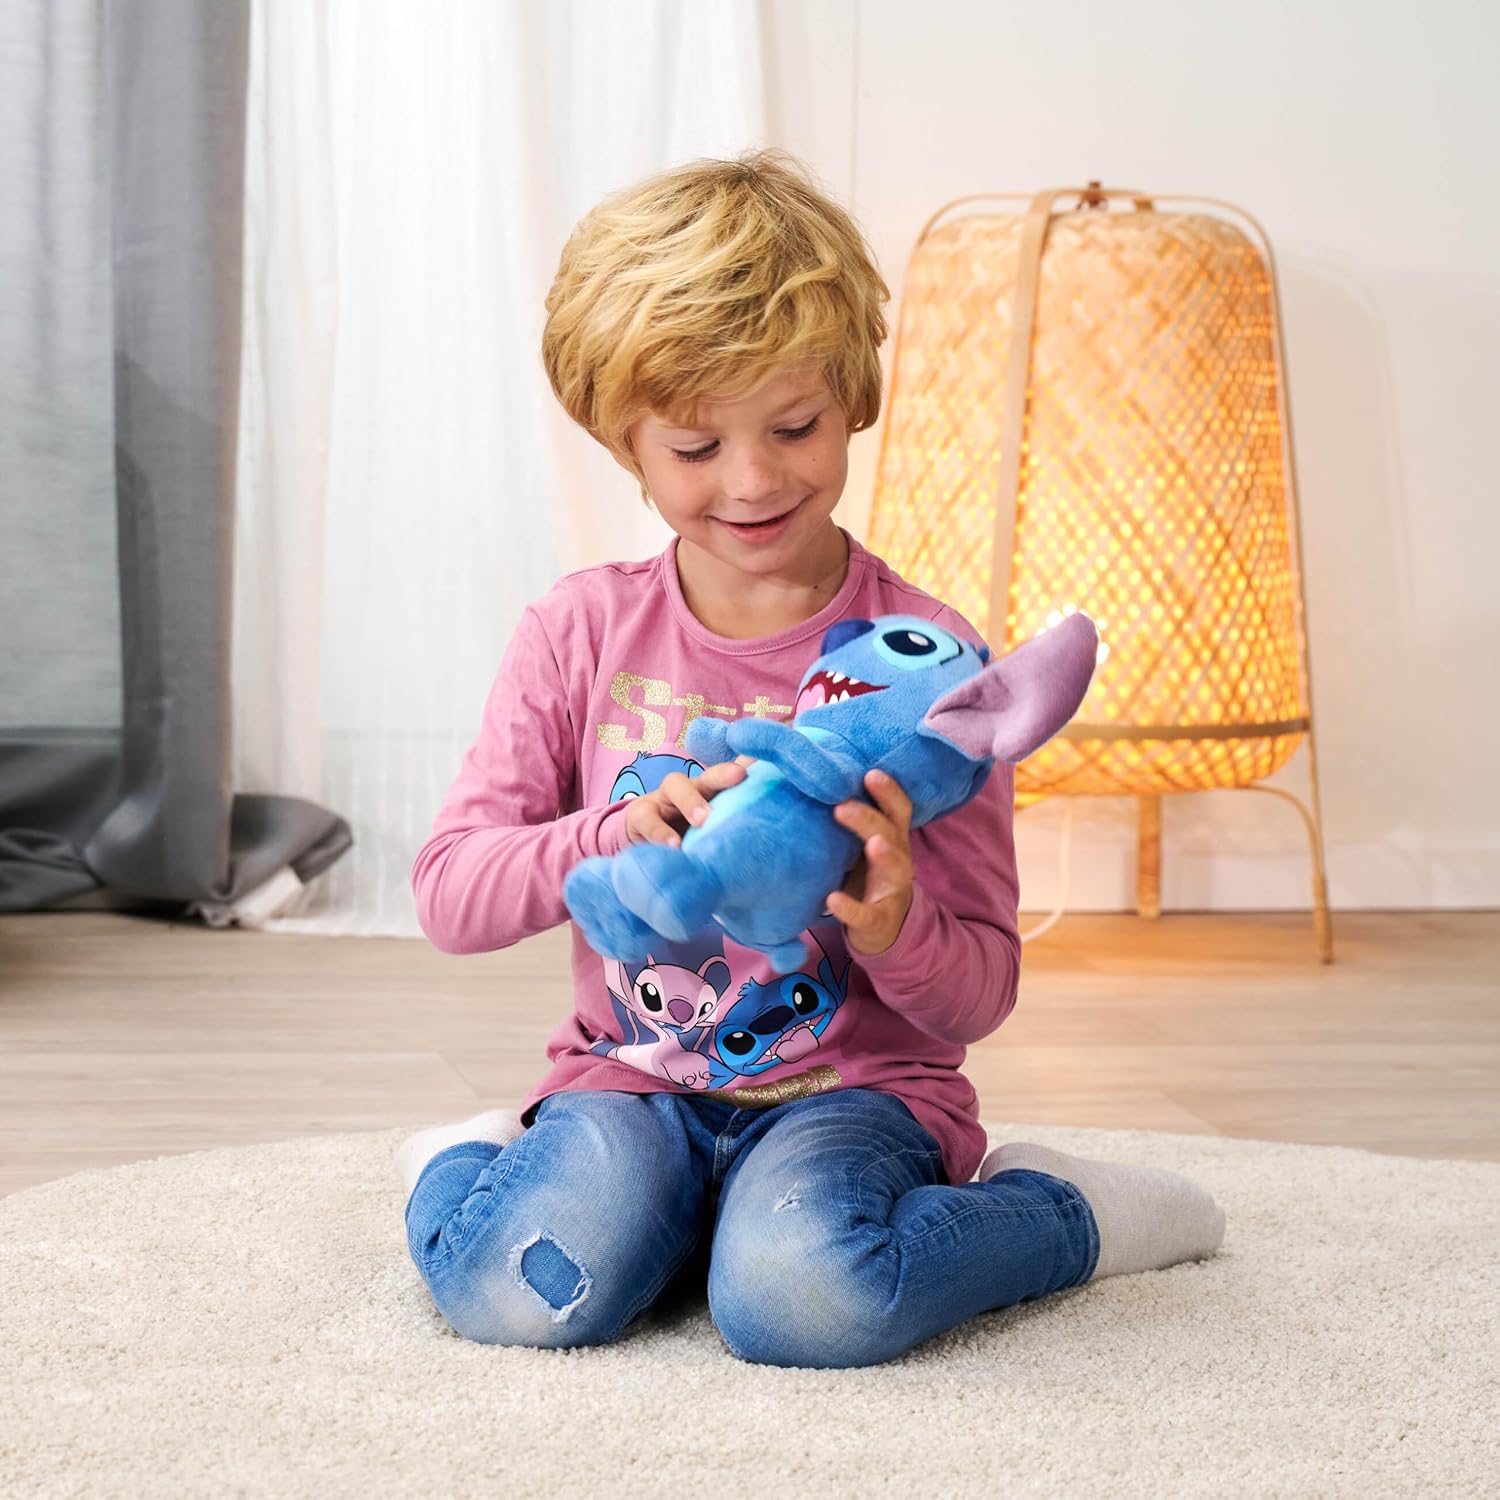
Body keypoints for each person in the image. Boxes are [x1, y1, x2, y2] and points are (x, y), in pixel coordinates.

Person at [395, 150, 1225, 1368]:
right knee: (514, 1294)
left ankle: (1065, 1213)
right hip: (633, 1083)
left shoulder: (927, 668)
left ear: (852, 400)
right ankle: (471, 1159)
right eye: (695, 446)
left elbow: (983, 990)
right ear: (625, 442)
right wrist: (614, 834)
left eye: (795, 427)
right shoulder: (576, 633)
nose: (753, 479)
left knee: (805, 1302)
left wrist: (896, 927)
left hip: (858, 1098)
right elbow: (449, 897)